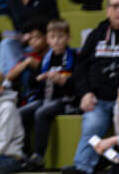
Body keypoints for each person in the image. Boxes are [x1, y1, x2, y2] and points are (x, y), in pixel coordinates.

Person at [66, 0, 119, 174]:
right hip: (99, 100)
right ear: (107, 10)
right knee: (93, 124)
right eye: (115, 6)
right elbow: (80, 67)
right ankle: (82, 168)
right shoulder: (96, 35)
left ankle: (116, 166)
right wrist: (85, 92)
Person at [20, 19, 77, 170]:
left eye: (60, 36)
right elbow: (33, 82)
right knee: (22, 112)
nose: (56, 41)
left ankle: (39, 156)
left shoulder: (73, 56)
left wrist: (61, 79)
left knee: (41, 113)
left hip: (64, 99)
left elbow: (74, 83)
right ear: (47, 39)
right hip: (45, 97)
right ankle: (24, 153)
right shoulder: (46, 58)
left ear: (68, 38)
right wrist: (39, 78)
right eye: (52, 37)